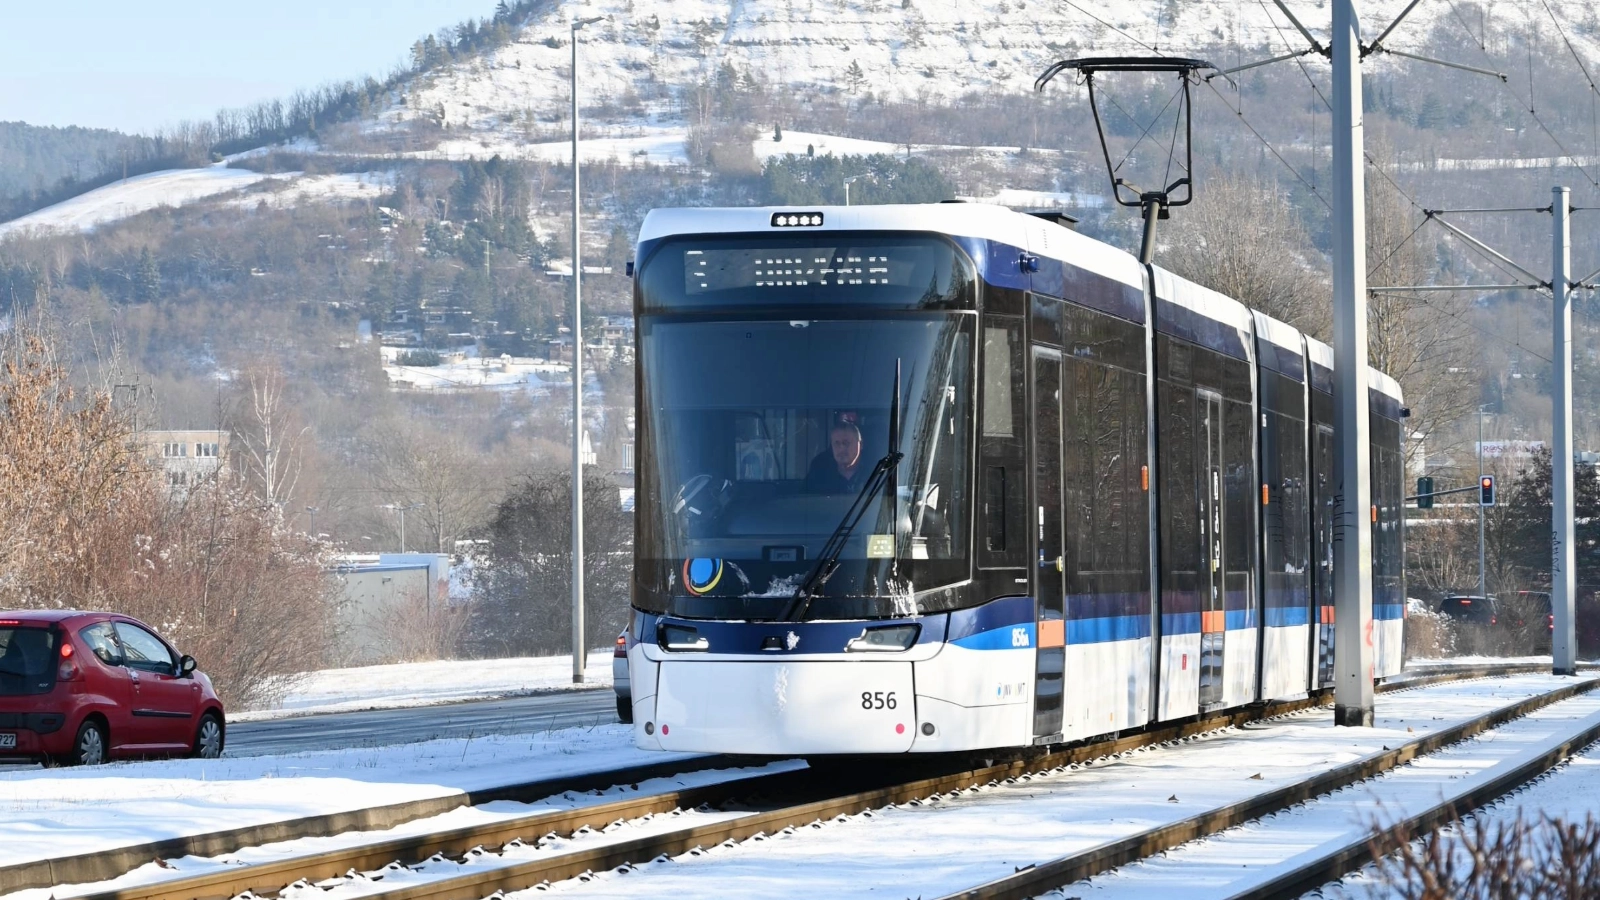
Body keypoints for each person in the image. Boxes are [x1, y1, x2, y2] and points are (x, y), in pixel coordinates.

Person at [805, 420, 867, 494]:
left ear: (861, 444)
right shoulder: (819, 472)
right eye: (837, 443)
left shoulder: (876, 470)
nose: (841, 448)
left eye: (846, 443)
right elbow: (805, 502)